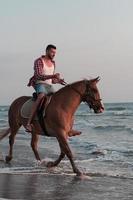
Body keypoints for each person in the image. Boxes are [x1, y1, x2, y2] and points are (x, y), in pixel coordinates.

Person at [26, 44, 65, 132]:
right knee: (41, 96)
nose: (53, 54)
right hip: (40, 83)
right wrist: (53, 75)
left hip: (49, 86)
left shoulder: (53, 63)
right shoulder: (39, 61)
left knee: (58, 99)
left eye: (55, 53)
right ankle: (29, 123)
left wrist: (59, 81)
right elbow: (38, 75)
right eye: (52, 52)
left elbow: (52, 80)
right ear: (47, 51)